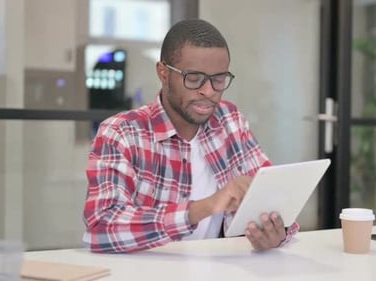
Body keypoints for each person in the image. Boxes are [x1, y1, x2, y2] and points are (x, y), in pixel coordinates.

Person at [82, 19, 299, 253]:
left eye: (218, 80)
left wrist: (276, 233)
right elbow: (100, 228)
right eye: (194, 79)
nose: (208, 92)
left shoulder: (230, 121)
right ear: (163, 73)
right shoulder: (120, 133)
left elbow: (272, 203)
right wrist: (205, 207)